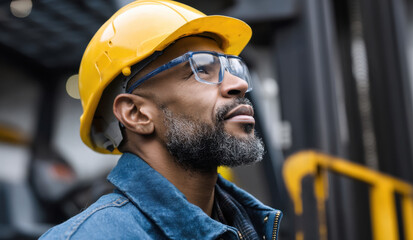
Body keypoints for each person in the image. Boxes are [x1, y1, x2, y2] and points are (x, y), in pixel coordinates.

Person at [40, 0, 282, 239]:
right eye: (202, 68)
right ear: (136, 114)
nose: (239, 84)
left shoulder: (246, 224)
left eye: (232, 68)